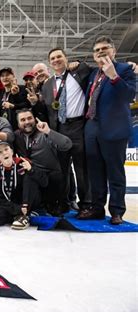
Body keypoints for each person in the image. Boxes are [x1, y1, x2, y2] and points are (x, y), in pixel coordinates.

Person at [79, 36, 136, 225]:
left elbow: (129, 95)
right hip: (92, 127)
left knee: (115, 172)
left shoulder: (125, 69)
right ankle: (97, 208)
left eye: (105, 48)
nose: (101, 52)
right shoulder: (93, 73)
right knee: (95, 172)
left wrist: (114, 76)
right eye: (97, 50)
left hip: (114, 129)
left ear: (114, 51)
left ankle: (117, 211)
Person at [41, 47, 93, 214]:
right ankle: (63, 202)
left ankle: (86, 204)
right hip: (59, 129)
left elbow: (90, 68)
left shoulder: (78, 72)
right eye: (53, 58)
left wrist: (79, 63)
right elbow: (49, 109)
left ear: (66, 58)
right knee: (62, 169)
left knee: (81, 168)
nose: (56, 60)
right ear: (49, 63)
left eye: (59, 57)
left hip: (78, 126)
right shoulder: (47, 85)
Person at [14, 109, 72, 215]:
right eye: (23, 120)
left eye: (29, 118)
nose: (27, 122)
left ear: (35, 119)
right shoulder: (16, 136)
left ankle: (55, 203)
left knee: (56, 176)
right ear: (18, 124)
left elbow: (67, 144)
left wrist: (49, 132)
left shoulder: (44, 133)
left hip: (49, 178)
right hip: (32, 176)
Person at [0, 140, 47, 230]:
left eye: (6, 149)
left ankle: (27, 213)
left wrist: (31, 170)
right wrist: (17, 209)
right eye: (0, 152)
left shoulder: (23, 163)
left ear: (11, 151)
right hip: (14, 204)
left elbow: (44, 182)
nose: (4, 153)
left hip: (29, 200)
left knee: (29, 176)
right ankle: (22, 216)